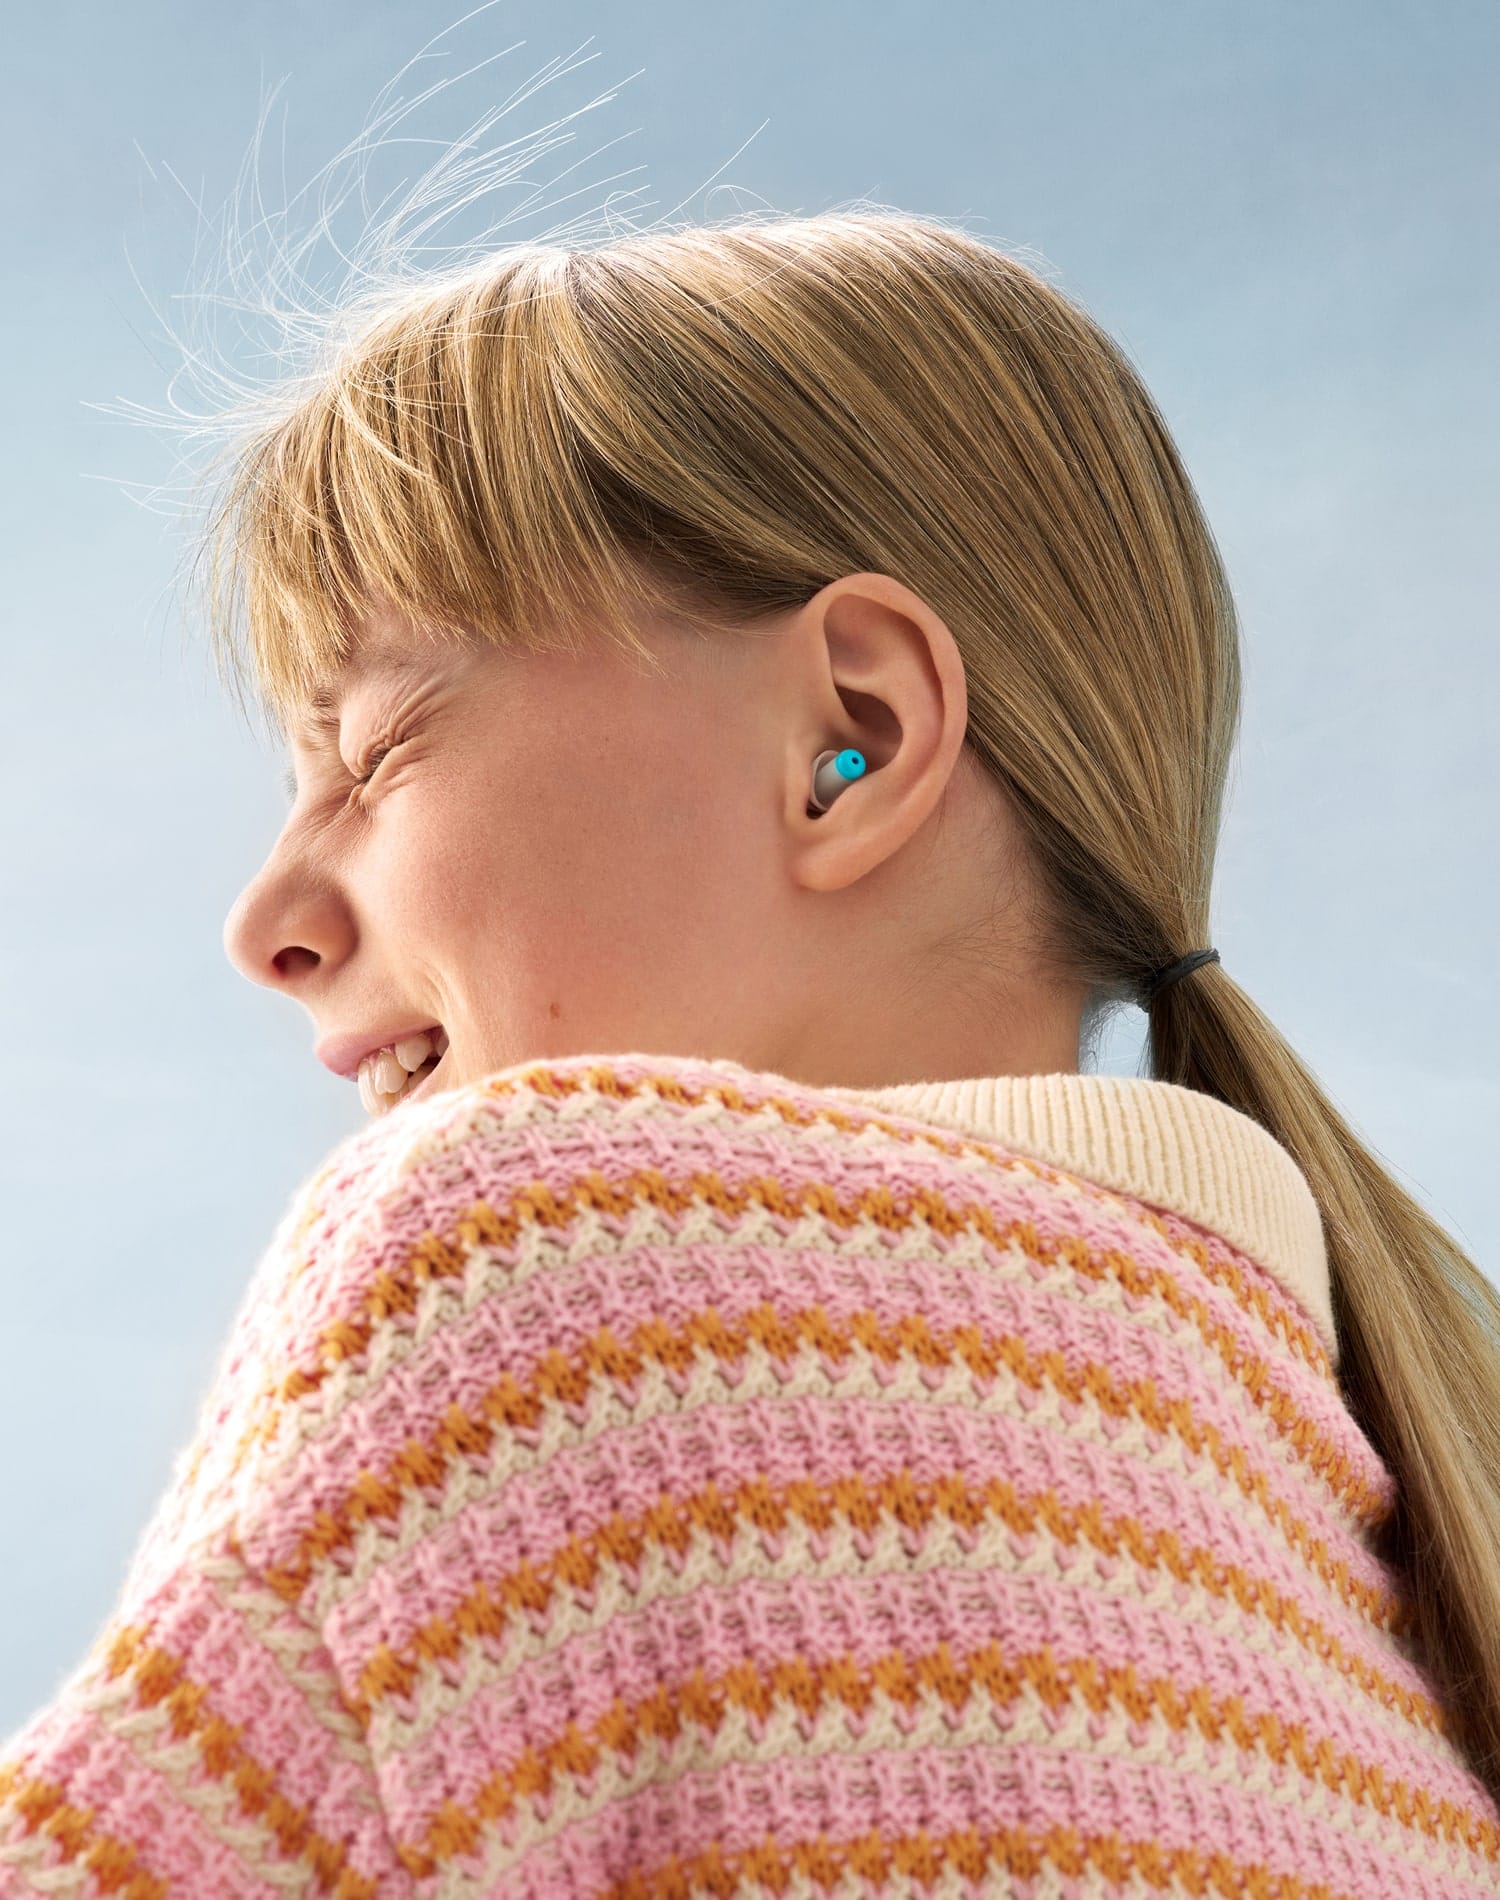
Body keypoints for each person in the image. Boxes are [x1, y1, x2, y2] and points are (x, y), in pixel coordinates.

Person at [3, 212, 1497, 1897]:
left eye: (376, 746)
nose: (265, 915)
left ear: (847, 743)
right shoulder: (1393, 1597)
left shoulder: (529, 1263)